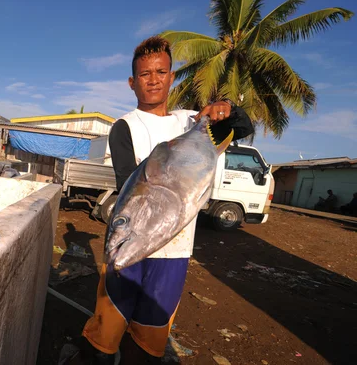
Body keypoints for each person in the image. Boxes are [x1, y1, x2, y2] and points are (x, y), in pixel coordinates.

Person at [59, 36, 254, 365]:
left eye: (160, 72)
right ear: (132, 83)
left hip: (174, 253)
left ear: (171, 76)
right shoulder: (125, 127)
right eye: (145, 74)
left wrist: (227, 109)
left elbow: (244, 126)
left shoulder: (193, 122)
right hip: (131, 247)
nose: (153, 80)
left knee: (150, 339)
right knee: (105, 335)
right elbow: (128, 185)